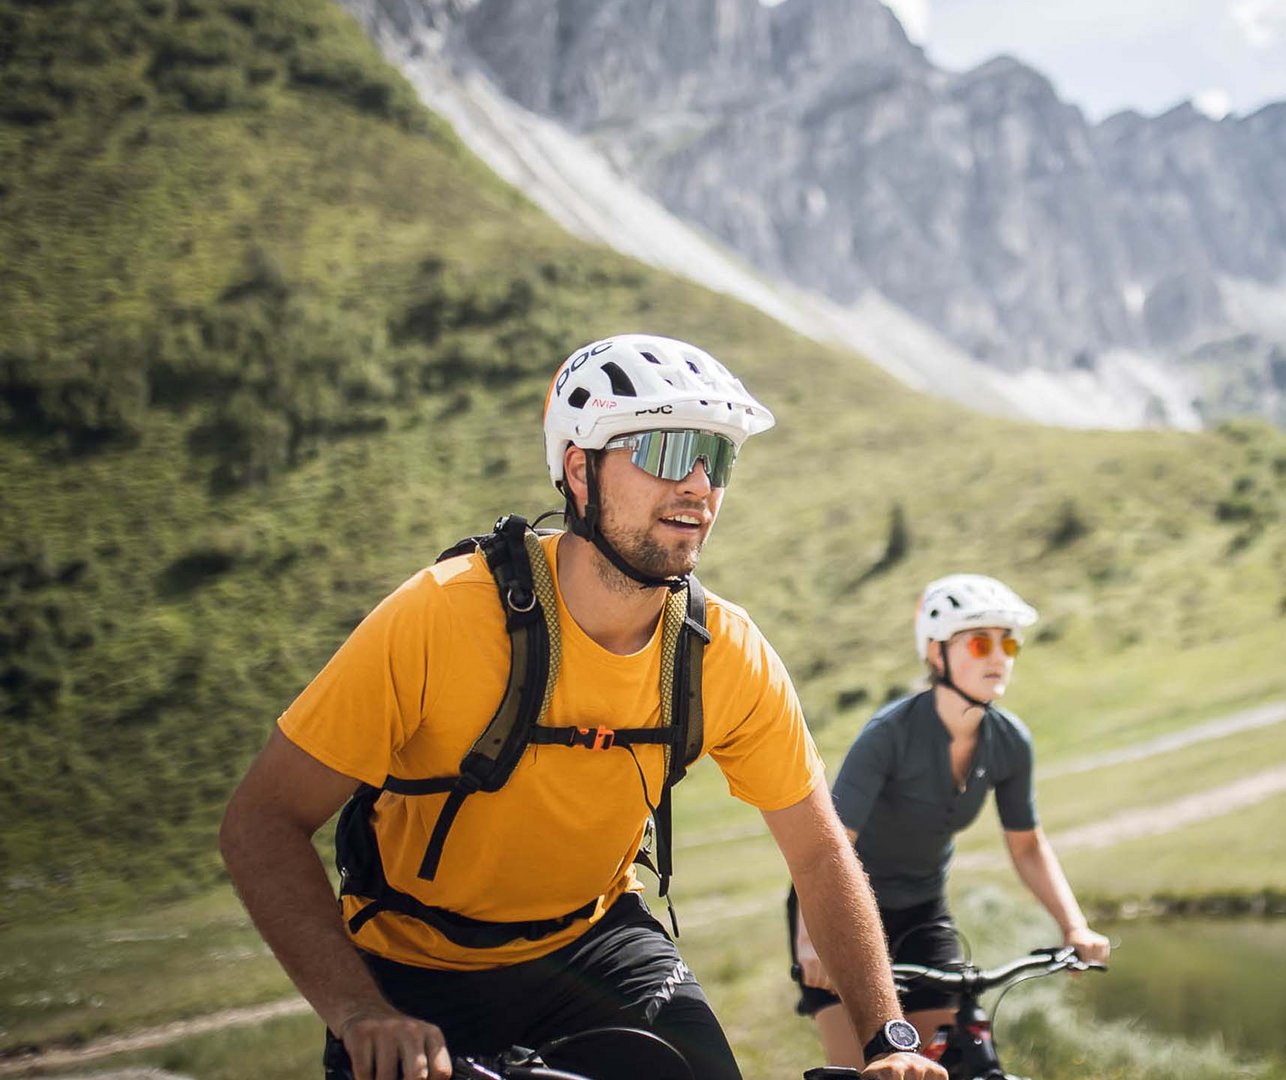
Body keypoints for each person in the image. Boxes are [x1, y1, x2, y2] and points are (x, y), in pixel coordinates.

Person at [220, 334, 944, 1080]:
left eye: (716, 458)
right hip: (409, 967)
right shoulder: (440, 617)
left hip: (594, 948)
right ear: (579, 470)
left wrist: (886, 1041)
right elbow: (260, 824)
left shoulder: (721, 651)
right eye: (666, 449)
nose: (698, 484)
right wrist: (360, 1012)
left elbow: (821, 852)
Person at [788, 574, 1111, 1066]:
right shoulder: (888, 735)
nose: (999, 656)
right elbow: (826, 846)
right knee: (867, 1068)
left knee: (944, 1065)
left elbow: (1027, 847)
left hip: (922, 909)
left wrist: (1075, 927)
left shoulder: (1009, 742)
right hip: (839, 905)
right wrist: (813, 942)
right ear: (936, 654)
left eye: (1009, 644)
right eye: (980, 643)